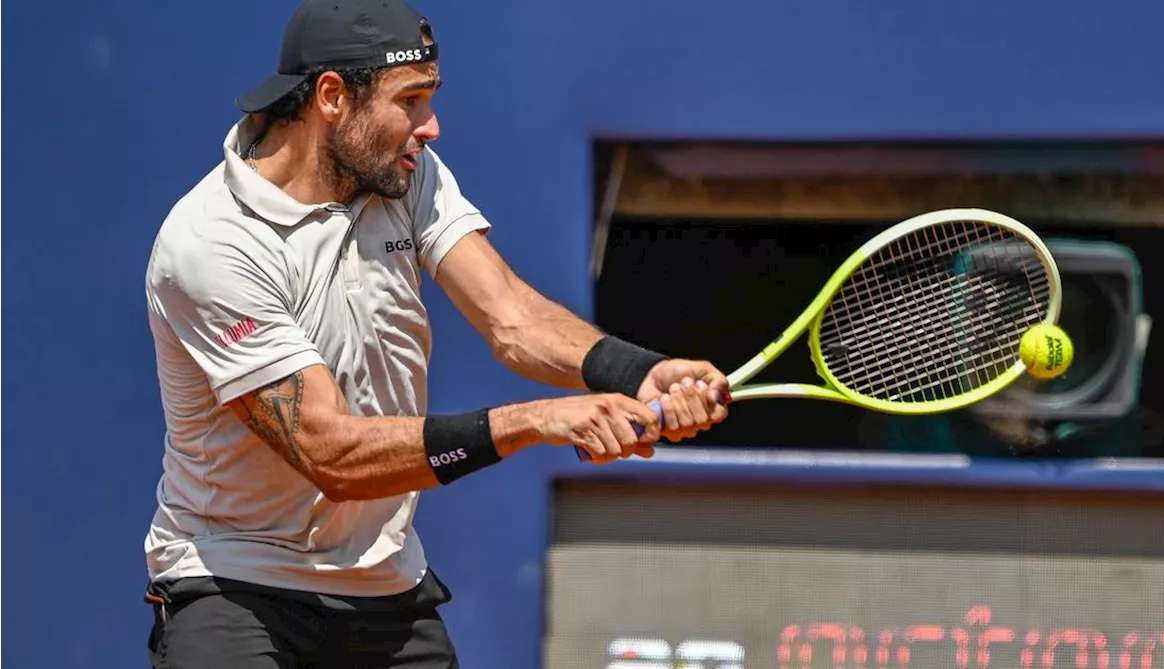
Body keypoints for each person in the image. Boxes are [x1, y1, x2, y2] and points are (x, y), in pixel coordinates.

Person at [140, 1, 730, 666]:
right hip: (234, 584)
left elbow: (510, 315)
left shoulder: (403, 173)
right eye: (411, 100)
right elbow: (330, 453)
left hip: (384, 581)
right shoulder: (210, 245)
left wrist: (641, 373)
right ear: (332, 96)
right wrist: (534, 420)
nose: (432, 127)